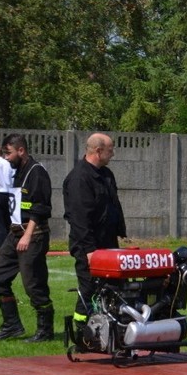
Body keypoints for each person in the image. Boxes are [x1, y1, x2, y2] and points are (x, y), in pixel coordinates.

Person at [0, 134, 54, 341]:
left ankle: (45, 330)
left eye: (8, 152)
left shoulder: (37, 173)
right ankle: (12, 325)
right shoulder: (17, 172)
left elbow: (40, 209)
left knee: (33, 284)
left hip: (32, 235)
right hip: (14, 233)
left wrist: (27, 235)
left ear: (21, 150)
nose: (6, 157)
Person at [63, 133, 127, 333]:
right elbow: (79, 219)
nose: (113, 154)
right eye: (110, 150)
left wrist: (120, 231)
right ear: (98, 151)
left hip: (108, 244)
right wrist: (90, 251)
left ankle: (111, 330)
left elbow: (112, 206)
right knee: (89, 289)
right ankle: (83, 332)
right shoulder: (79, 178)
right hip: (89, 246)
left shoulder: (106, 175)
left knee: (114, 288)